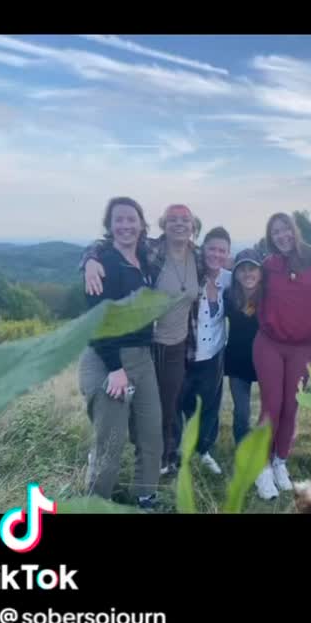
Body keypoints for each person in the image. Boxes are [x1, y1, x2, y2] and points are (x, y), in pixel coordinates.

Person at [83, 203, 200, 477]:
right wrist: (89, 261)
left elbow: (219, 265)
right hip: (147, 344)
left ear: (193, 226)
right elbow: (106, 246)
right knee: (136, 414)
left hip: (175, 345)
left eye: (185, 220)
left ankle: (158, 461)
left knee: (164, 408)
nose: (179, 224)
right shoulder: (151, 251)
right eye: (172, 219)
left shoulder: (199, 258)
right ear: (162, 225)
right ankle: (115, 461)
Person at [78, 196, 163, 509]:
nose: (126, 225)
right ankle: (97, 503)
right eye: (119, 219)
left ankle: (145, 497)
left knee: (152, 434)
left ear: (141, 224)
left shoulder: (146, 257)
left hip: (143, 358)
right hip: (108, 360)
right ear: (110, 225)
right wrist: (115, 368)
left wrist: (88, 255)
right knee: (110, 444)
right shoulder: (104, 264)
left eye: (132, 219)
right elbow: (98, 323)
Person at [253, 212, 311, 499]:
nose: (282, 236)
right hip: (270, 343)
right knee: (271, 406)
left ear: (295, 231)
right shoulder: (268, 265)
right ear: (271, 238)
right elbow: (244, 288)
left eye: (285, 230)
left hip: (303, 345)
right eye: (275, 232)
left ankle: (279, 462)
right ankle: (261, 468)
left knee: (291, 406)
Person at [178, 227, 232, 474]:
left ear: (228, 254)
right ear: (203, 249)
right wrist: (92, 259)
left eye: (222, 250)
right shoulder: (190, 274)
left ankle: (203, 450)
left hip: (214, 354)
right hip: (185, 352)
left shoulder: (229, 279)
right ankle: (176, 450)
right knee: (179, 403)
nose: (216, 254)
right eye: (212, 248)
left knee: (209, 405)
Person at [224, 248, 263, 445]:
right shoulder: (229, 296)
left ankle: (267, 446)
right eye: (242, 269)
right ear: (235, 273)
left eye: (252, 269)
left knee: (270, 408)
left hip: (265, 361)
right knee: (241, 411)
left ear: (260, 272)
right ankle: (242, 446)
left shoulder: (269, 296)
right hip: (237, 361)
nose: (248, 274)